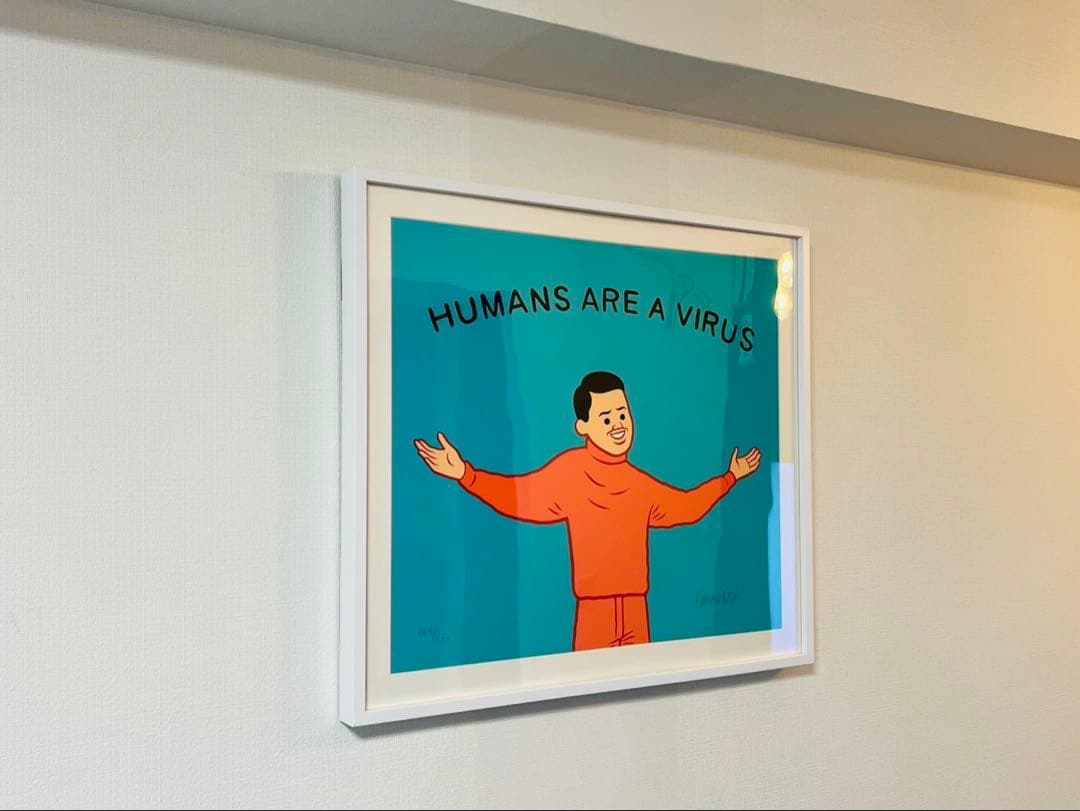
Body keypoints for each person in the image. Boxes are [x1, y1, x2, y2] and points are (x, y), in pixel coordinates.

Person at [414, 371, 761, 651]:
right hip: (594, 613)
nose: (618, 425)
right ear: (583, 426)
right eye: (606, 418)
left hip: (637, 611)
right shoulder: (570, 472)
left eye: (622, 414)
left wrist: (731, 477)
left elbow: (687, 507)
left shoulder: (639, 484)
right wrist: (466, 474)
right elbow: (518, 496)